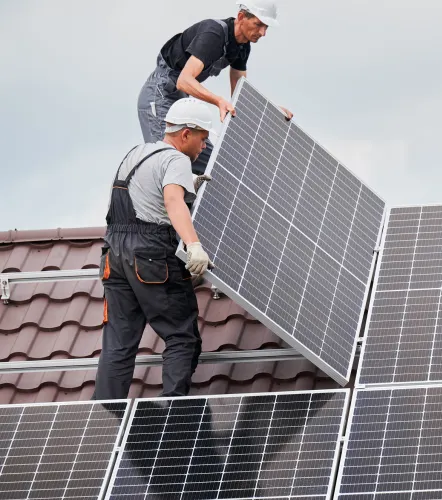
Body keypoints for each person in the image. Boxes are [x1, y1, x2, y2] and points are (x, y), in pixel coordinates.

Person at [93, 98, 216, 401]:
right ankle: (173, 420)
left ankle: (103, 421)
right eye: (202, 138)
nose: (204, 146)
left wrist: (190, 187)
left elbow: (144, 199)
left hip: (114, 254)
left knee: (119, 344)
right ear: (185, 133)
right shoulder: (177, 160)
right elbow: (173, 202)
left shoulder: (135, 152)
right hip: (149, 253)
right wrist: (194, 245)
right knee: (180, 335)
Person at [137, 0, 293, 175]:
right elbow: (184, 80)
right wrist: (218, 100)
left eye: (266, 27)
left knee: (213, 167)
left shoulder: (243, 47)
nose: (263, 33)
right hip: (159, 96)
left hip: (181, 101)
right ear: (241, 16)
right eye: (258, 24)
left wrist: (270, 111)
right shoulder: (214, 34)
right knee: (170, 161)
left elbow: (241, 96)